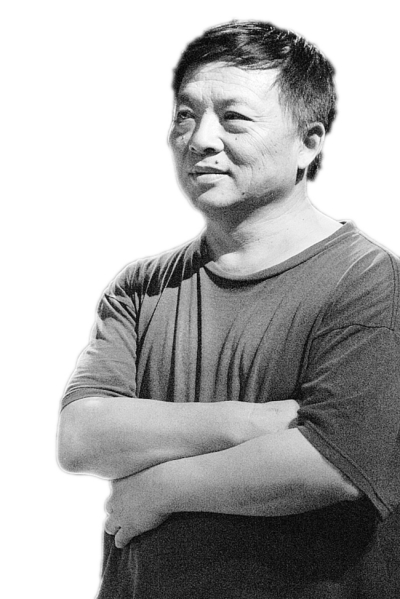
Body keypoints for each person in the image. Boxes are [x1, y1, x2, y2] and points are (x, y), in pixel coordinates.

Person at [57, 20, 400, 599]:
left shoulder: (368, 282)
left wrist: (161, 489)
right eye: (185, 115)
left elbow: (334, 465)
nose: (201, 139)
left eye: (234, 117)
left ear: (309, 142)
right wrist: (254, 423)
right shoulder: (142, 287)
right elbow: (81, 436)